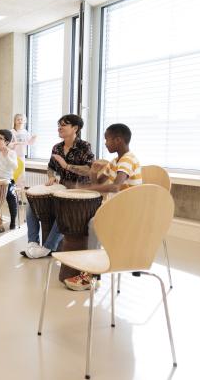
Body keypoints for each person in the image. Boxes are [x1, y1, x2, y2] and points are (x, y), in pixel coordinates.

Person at [53, 123, 142, 291]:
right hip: (118, 208)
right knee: (91, 221)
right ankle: (88, 265)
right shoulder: (115, 161)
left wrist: (83, 188)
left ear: (118, 140)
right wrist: (93, 172)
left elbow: (115, 186)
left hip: (128, 211)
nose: (106, 143)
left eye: (107, 139)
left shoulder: (127, 160)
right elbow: (98, 183)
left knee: (95, 223)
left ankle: (92, 274)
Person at [22, 114, 95, 259]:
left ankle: (48, 247)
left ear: (75, 128)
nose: (59, 128)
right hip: (62, 188)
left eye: (64, 125)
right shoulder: (57, 148)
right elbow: (50, 167)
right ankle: (32, 243)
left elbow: (89, 169)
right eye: (59, 125)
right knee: (31, 203)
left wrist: (66, 165)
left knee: (63, 209)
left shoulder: (84, 146)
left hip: (80, 191)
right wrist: (51, 176)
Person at [9, 113, 36, 189]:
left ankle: (20, 195)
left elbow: (30, 143)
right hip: (13, 156)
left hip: (21, 156)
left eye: (21, 119)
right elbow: (8, 144)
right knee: (13, 175)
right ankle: (12, 193)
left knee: (21, 176)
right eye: (18, 119)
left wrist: (34, 138)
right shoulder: (11, 132)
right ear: (15, 121)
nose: (20, 121)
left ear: (24, 121)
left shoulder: (25, 132)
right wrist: (15, 143)